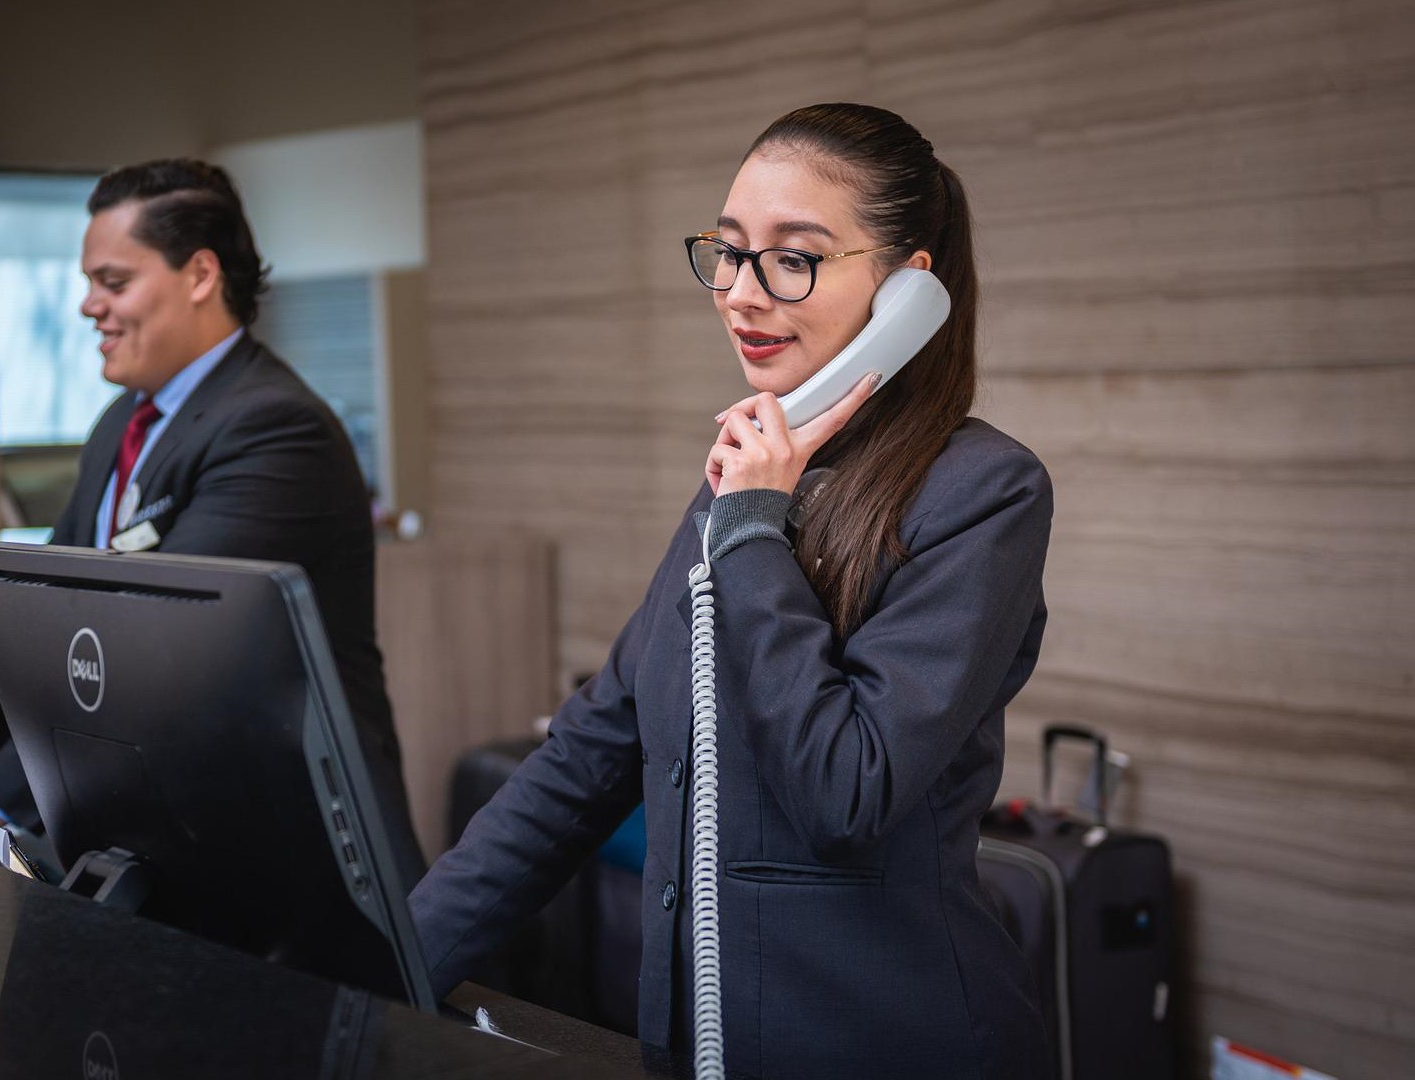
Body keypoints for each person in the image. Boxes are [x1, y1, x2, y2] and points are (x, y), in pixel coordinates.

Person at [408, 103, 1053, 1077]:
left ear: (906, 292)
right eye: (727, 251)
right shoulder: (747, 479)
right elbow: (588, 755)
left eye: (792, 258)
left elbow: (849, 787)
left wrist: (753, 527)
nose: (740, 295)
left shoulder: (979, 491)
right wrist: (390, 957)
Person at [0, 160, 398, 830]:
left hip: (278, 853)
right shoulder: (123, 422)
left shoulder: (276, 430)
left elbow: (146, 656)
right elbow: (34, 620)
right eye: (88, 283)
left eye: (114, 282)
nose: (87, 305)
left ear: (200, 275)